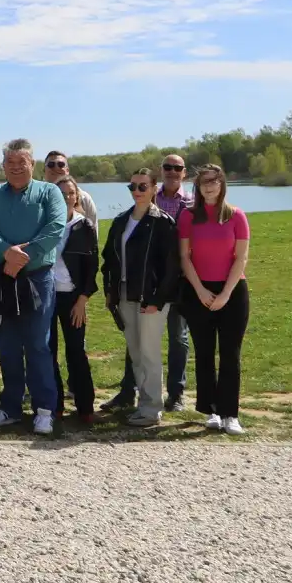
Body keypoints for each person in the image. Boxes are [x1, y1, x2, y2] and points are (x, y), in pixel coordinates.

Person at [0, 139, 67, 435]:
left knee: (38, 343)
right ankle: (11, 407)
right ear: (3, 166)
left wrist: (21, 258)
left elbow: (54, 229)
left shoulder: (49, 192)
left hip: (37, 277)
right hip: (2, 278)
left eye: (21, 163)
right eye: (10, 164)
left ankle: (44, 410)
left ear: (32, 164)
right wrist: (6, 252)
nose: (15, 168)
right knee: (7, 344)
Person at [105, 152, 195, 412]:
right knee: (135, 354)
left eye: (143, 186)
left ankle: (152, 407)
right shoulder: (121, 221)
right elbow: (110, 259)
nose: (137, 191)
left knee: (150, 354)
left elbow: (170, 265)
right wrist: (111, 291)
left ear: (153, 188)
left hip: (152, 298)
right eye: (132, 186)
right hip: (125, 296)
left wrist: (157, 299)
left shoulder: (162, 222)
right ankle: (139, 402)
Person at [178, 164, 251, 435]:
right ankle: (210, 411)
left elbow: (241, 258)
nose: (209, 186)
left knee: (230, 354)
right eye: (204, 182)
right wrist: (200, 291)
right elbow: (185, 257)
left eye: (214, 181)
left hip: (232, 291)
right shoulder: (188, 217)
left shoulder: (236, 216)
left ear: (222, 184)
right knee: (204, 353)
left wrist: (225, 294)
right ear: (197, 186)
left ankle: (230, 413)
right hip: (198, 290)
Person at [51, 176, 98, 422]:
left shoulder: (85, 227)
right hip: (48, 297)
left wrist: (82, 300)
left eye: (71, 193)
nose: (67, 197)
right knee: (48, 352)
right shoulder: (46, 224)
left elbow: (92, 269)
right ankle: (53, 404)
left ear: (76, 197)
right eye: (62, 193)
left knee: (76, 351)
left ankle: (85, 407)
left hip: (73, 299)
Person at [44, 151, 97, 229]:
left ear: (67, 170)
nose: (56, 167)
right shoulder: (37, 197)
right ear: (44, 170)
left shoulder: (84, 198)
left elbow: (93, 233)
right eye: (51, 165)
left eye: (61, 164)